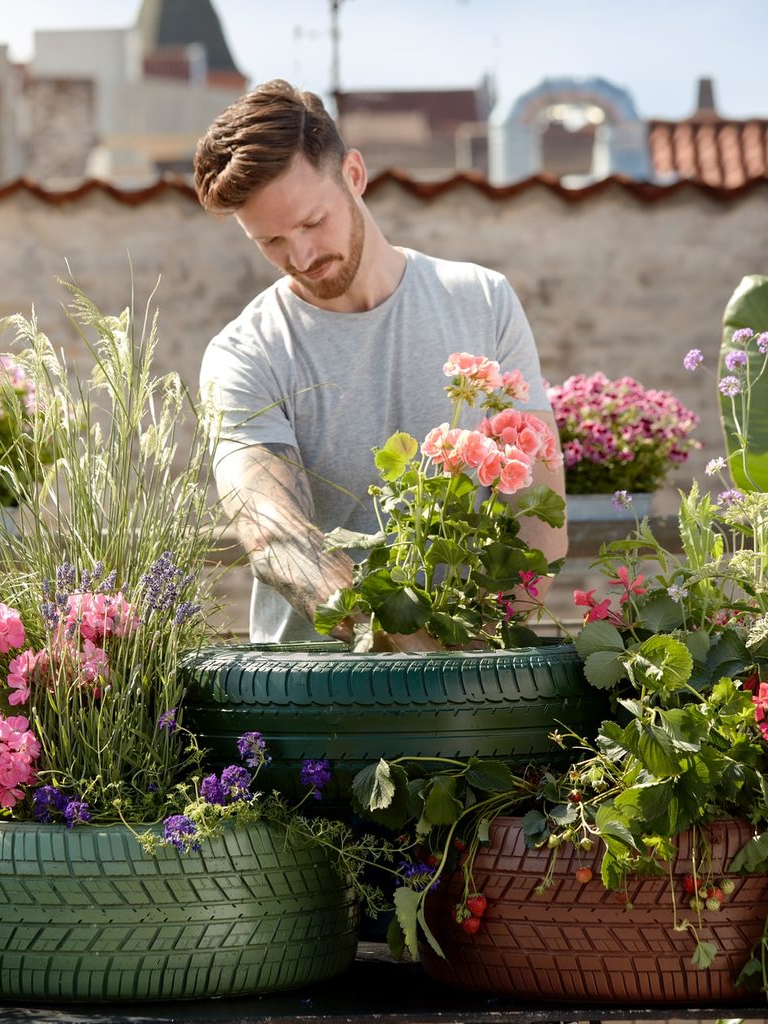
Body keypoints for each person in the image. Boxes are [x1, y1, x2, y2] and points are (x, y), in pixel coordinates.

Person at [195, 80, 566, 649]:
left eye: (312, 222)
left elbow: (541, 515)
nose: (300, 256)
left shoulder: (484, 301)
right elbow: (271, 530)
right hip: (311, 702)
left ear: (354, 175)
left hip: (475, 689)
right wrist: (405, 649)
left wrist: (481, 654)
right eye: (269, 240)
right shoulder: (244, 352)